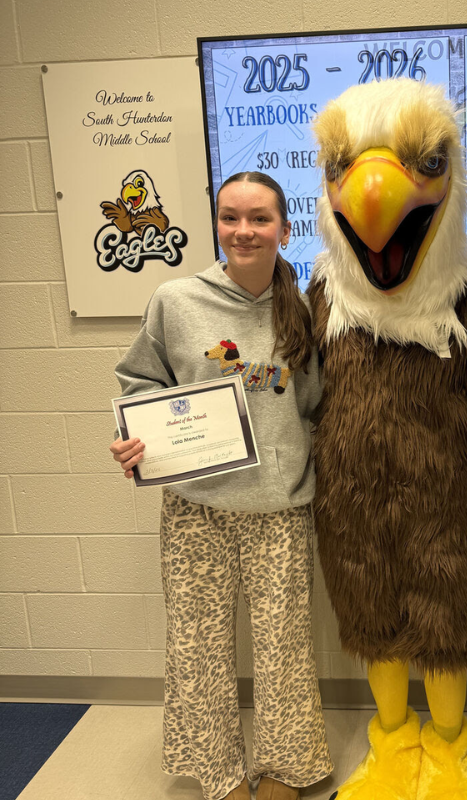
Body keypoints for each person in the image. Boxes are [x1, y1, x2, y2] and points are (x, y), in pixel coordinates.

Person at [109, 172, 332, 800]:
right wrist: (135, 440)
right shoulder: (175, 300)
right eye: (230, 217)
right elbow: (139, 382)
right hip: (195, 508)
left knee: (283, 647)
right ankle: (222, 773)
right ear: (216, 225)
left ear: (285, 230)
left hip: (280, 503)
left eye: (260, 218)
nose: (244, 230)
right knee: (198, 645)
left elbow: (317, 404)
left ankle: (286, 769)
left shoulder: (311, 310)